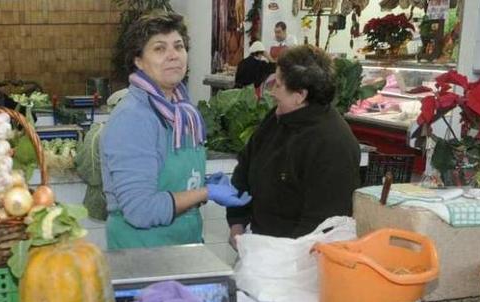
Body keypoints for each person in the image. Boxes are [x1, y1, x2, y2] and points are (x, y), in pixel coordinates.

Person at [100, 11, 251, 250]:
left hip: (183, 247)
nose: (173, 56)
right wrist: (205, 192)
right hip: (144, 255)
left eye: (179, 46)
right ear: (138, 61)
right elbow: (140, 210)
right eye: (159, 49)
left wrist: (201, 181)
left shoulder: (183, 112)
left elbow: (164, 179)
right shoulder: (134, 118)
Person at [226, 45, 360, 247]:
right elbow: (245, 166)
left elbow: (321, 227)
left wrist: (281, 260)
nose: (272, 92)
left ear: (300, 95)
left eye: (278, 85)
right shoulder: (278, 117)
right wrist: (237, 224)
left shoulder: (332, 144)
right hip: (261, 247)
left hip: (297, 262)